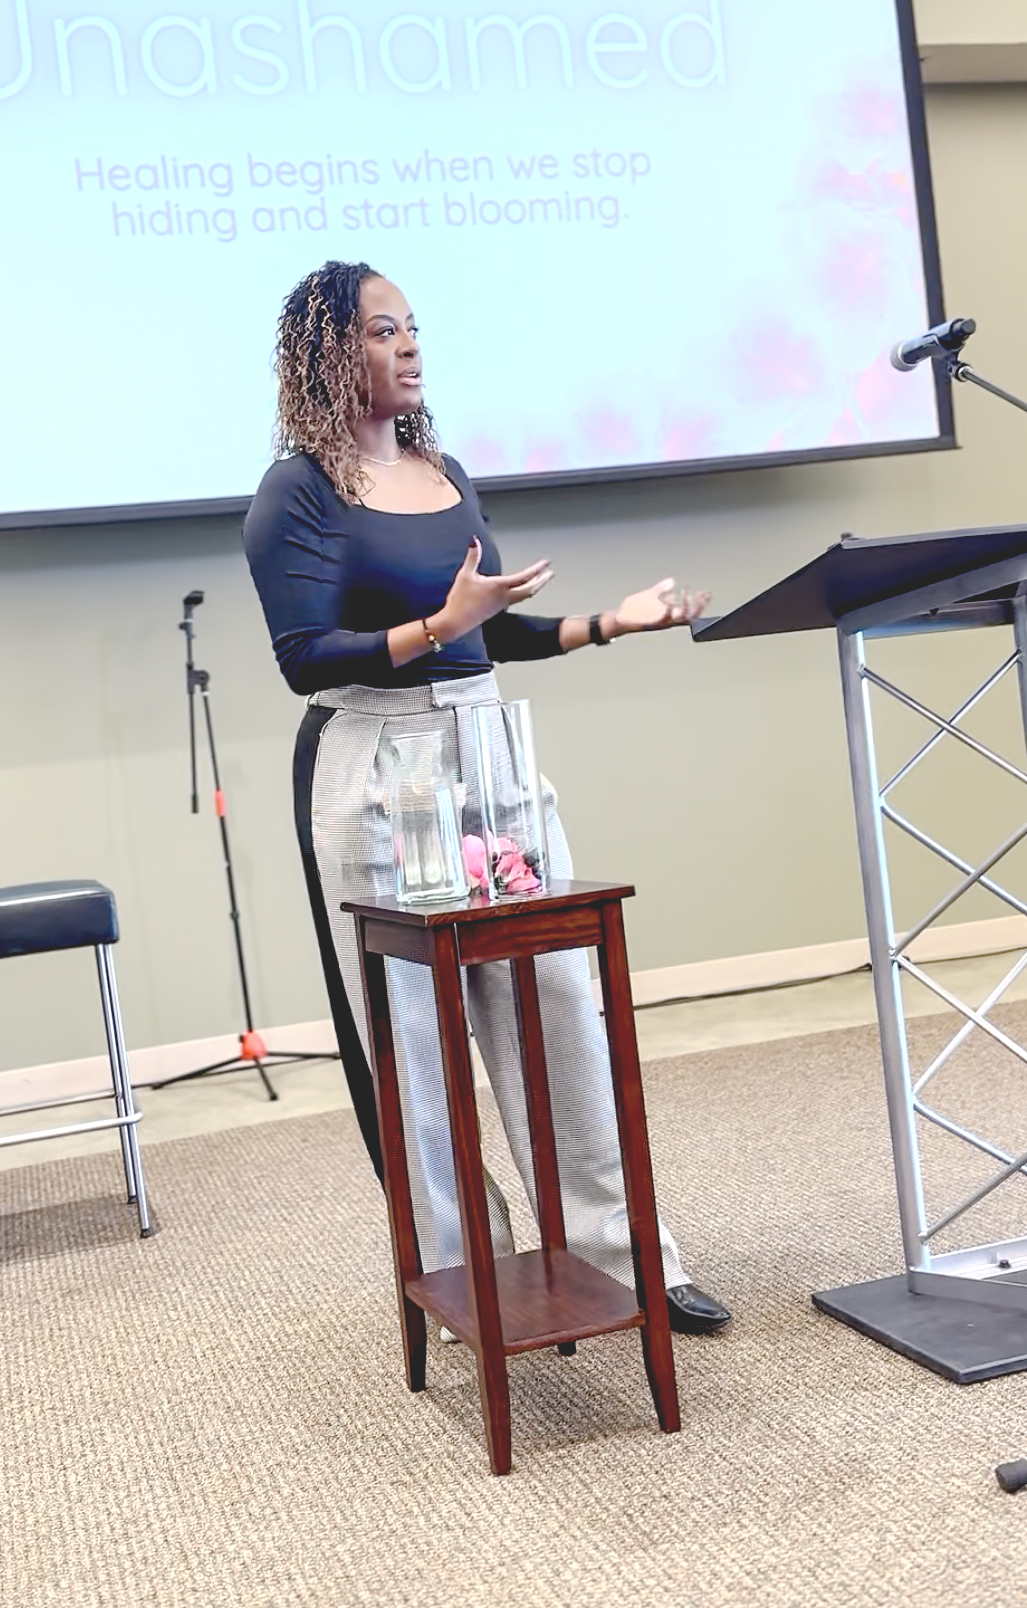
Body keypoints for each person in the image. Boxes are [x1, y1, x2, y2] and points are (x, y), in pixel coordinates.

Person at [243, 259, 730, 1336]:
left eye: (413, 326)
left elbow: (493, 629)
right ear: (330, 353)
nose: (409, 345)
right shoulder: (296, 492)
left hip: (490, 750)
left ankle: (622, 1257)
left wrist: (612, 622)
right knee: (415, 1036)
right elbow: (305, 657)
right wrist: (436, 624)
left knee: (558, 1003)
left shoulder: (445, 469)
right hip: (379, 761)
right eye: (382, 329)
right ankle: (465, 1280)